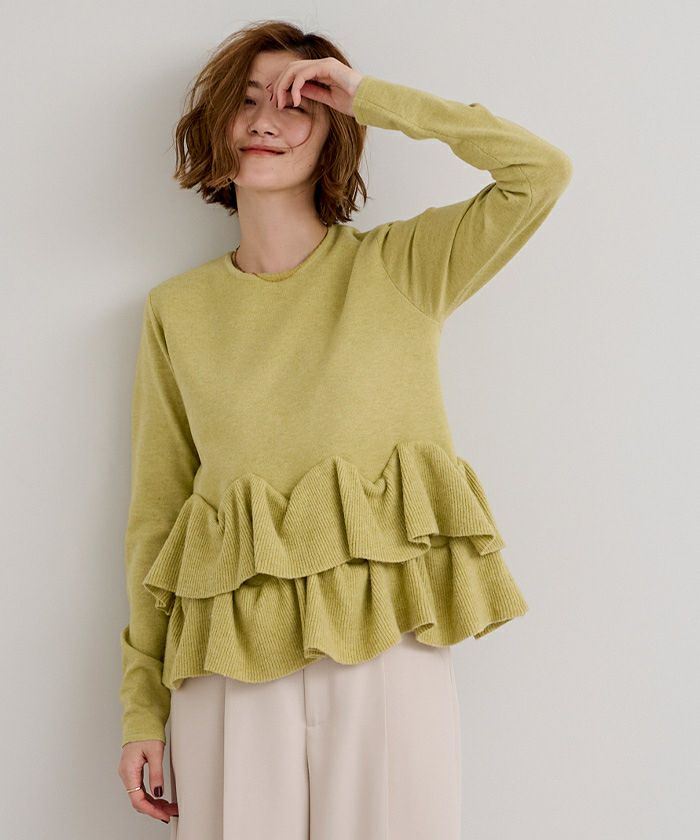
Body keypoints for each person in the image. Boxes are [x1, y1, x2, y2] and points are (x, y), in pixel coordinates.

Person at [116, 19, 572, 839]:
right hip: (227, 661)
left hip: (388, 647)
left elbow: (539, 173)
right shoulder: (176, 311)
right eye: (246, 101)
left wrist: (370, 97)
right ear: (216, 123)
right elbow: (157, 513)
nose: (266, 120)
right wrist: (140, 708)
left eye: (299, 103)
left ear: (335, 135)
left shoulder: (402, 268)